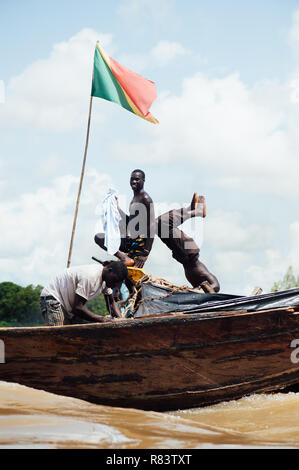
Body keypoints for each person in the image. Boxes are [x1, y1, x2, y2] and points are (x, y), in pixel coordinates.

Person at [156, 193, 220, 292]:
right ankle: (196, 211)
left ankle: (191, 209)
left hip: (183, 253)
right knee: (162, 223)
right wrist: (205, 289)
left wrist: (197, 290)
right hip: (188, 250)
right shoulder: (205, 274)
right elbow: (216, 286)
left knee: (157, 225)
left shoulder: (197, 282)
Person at [95, 169, 155, 268]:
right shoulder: (134, 198)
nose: (133, 182)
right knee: (99, 238)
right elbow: (130, 222)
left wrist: (145, 253)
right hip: (129, 243)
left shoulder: (145, 199)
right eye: (132, 179)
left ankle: (124, 258)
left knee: (130, 276)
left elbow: (152, 226)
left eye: (137, 179)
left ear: (143, 181)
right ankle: (123, 257)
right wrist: (117, 209)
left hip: (139, 245)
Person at [40, 261, 128, 326]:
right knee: (58, 336)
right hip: (53, 298)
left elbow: (112, 303)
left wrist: (121, 320)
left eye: (117, 283)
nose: (114, 285)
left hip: (68, 307)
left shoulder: (107, 281)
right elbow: (77, 307)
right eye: (115, 280)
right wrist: (102, 319)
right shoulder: (91, 276)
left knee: (77, 337)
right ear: (110, 270)